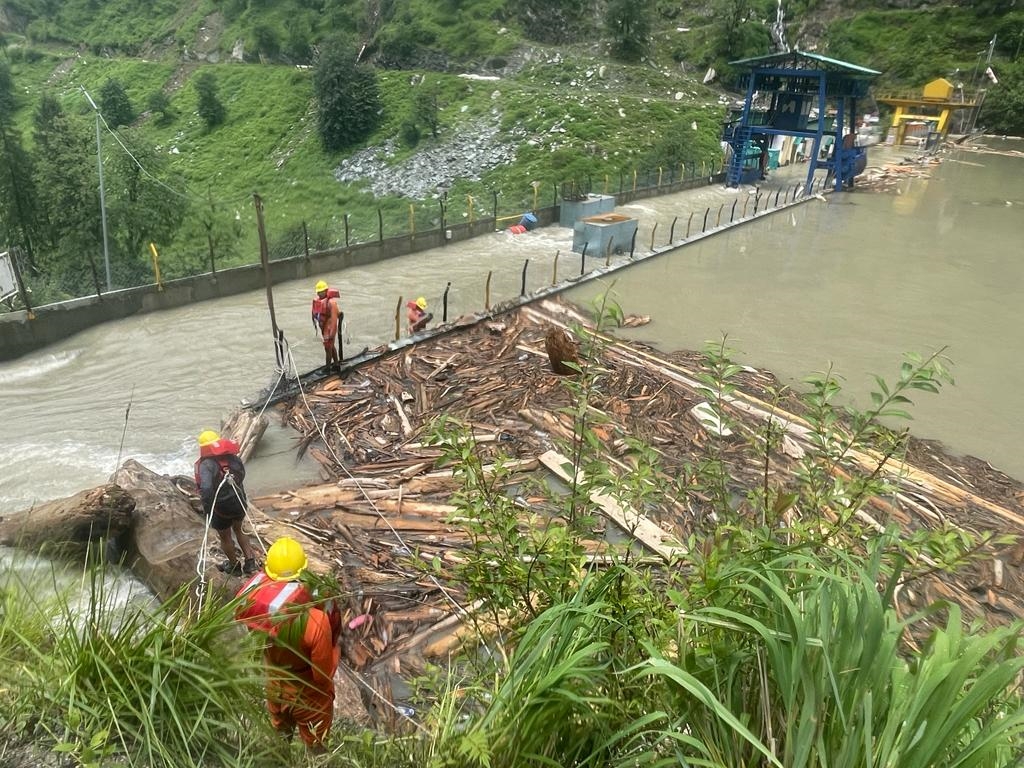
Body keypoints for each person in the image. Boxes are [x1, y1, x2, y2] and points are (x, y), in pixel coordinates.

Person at [235, 537, 340, 753]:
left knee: (280, 741)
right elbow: (322, 676)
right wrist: (336, 651)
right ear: (303, 569)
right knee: (318, 749)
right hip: (308, 697)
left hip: (274, 686)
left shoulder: (256, 604)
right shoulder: (315, 620)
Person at [194, 430, 260, 576]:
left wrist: (207, 509)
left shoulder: (206, 465)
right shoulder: (234, 459)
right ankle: (250, 563)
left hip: (221, 509)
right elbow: (241, 475)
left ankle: (234, 565)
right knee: (239, 530)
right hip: (239, 503)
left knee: (225, 537)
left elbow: (206, 488)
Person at [312, 280, 341, 373]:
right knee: (331, 347)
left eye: (322, 291)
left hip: (329, 326)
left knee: (328, 347)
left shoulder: (331, 303)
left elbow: (334, 319)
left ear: (326, 291)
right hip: (323, 326)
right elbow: (315, 313)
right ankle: (336, 364)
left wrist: (332, 333)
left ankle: (327, 368)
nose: (320, 294)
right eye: (318, 292)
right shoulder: (319, 301)